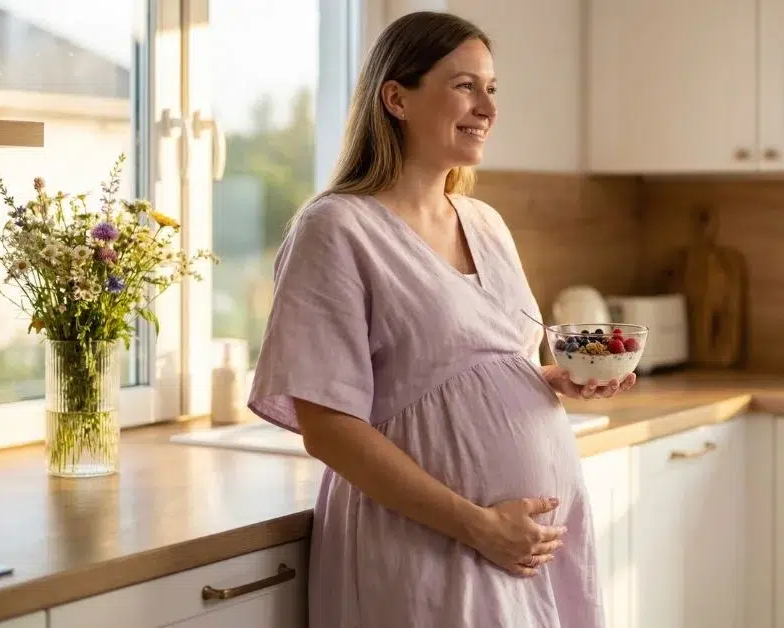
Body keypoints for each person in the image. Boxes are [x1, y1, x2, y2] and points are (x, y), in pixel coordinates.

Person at [247, 10, 636, 628]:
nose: (487, 106)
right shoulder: (335, 229)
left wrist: (553, 380)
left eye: (492, 89)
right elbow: (327, 426)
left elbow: (487, 360)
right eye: (464, 86)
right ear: (396, 97)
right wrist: (478, 525)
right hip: (427, 544)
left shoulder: (484, 222)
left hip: (528, 547)